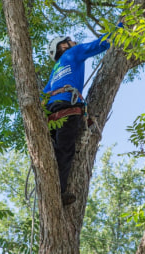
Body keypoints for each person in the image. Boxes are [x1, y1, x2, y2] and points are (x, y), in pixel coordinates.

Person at [43, 32, 113, 205]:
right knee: (65, 150)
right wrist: (119, 28)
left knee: (54, 152)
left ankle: (49, 188)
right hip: (67, 107)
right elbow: (100, 44)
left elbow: (43, 96)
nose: (74, 42)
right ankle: (58, 193)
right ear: (63, 46)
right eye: (70, 41)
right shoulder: (72, 53)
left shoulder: (54, 71)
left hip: (50, 113)